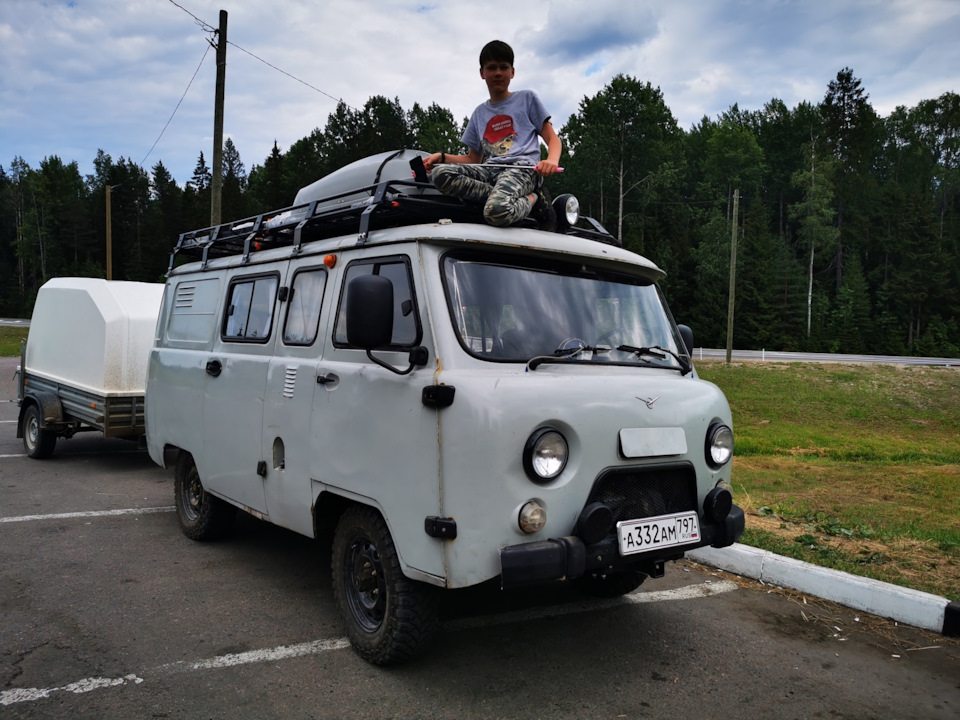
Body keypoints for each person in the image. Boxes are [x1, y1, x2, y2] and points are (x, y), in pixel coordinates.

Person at [422, 40, 561, 231]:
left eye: (503, 67)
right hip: (490, 171)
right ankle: (503, 198)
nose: (498, 73)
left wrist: (551, 160)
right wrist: (442, 157)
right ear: (482, 73)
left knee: (496, 212)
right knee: (441, 174)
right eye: (492, 68)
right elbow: (473, 159)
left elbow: (552, 138)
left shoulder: (527, 99)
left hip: (522, 169)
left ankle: (534, 198)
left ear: (512, 72)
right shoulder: (479, 113)